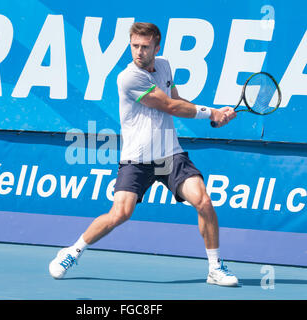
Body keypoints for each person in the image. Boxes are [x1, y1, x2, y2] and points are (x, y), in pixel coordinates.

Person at [49, 22, 238, 286]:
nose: (138, 51)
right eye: (134, 46)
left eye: (145, 47)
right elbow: (169, 106)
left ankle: (215, 268)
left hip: (170, 156)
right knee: (120, 214)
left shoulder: (164, 66)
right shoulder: (129, 77)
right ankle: (72, 251)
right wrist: (211, 112)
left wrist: (216, 113)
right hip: (136, 159)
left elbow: (177, 99)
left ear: (156, 47)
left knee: (204, 202)